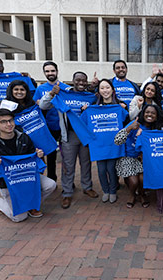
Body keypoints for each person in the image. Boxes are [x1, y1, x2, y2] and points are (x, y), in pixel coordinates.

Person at [0, 109, 56, 222]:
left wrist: (38, 155)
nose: (9, 124)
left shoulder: (24, 138)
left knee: (51, 185)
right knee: (19, 217)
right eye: (3, 122)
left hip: (27, 178)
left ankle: (31, 205)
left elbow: (32, 156)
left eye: (11, 120)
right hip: (7, 184)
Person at [39, 71, 99, 209]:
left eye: (84, 80)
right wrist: (52, 94)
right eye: (78, 80)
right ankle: (67, 193)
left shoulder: (90, 97)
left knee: (86, 163)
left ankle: (87, 187)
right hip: (69, 136)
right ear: (73, 81)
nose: (81, 83)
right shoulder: (63, 93)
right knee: (68, 165)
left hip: (85, 135)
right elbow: (43, 105)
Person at [82, 79, 127, 203]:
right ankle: (105, 191)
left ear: (112, 89)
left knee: (112, 169)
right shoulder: (92, 108)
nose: (105, 90)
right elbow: (82, 123)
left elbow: (127, 119)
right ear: (99, 91)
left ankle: (113, 191)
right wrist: (84, 110)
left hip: (113, 144)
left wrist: (125, 107)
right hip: (98, 145)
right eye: (102, 88)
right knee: (101, 170)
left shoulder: (119, 106)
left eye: (107, 87)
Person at [114, 104, 162, 209]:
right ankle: (132, 195)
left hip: (145, 159)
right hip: (128, 157)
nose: (150, 115)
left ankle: (141, 194)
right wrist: (130, 128)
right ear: (143, 113)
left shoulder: (156, 129)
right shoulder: (135, 124)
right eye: (147, 112)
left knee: (142, 179)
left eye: (153, 113)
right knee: (134, 181)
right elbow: (117, 140)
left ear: (157, 116)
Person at [33, 61, 70, 181]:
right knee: (50, 155)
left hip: (63, 126)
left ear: (57, 71)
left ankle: (67, 181)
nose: (50, 73)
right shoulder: (40, 89)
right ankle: (52, 178)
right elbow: (36, 105)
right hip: (47, 127)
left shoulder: (65, 88)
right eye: (47, 71)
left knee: (66, 156)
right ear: (44, 73)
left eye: (52, 71)